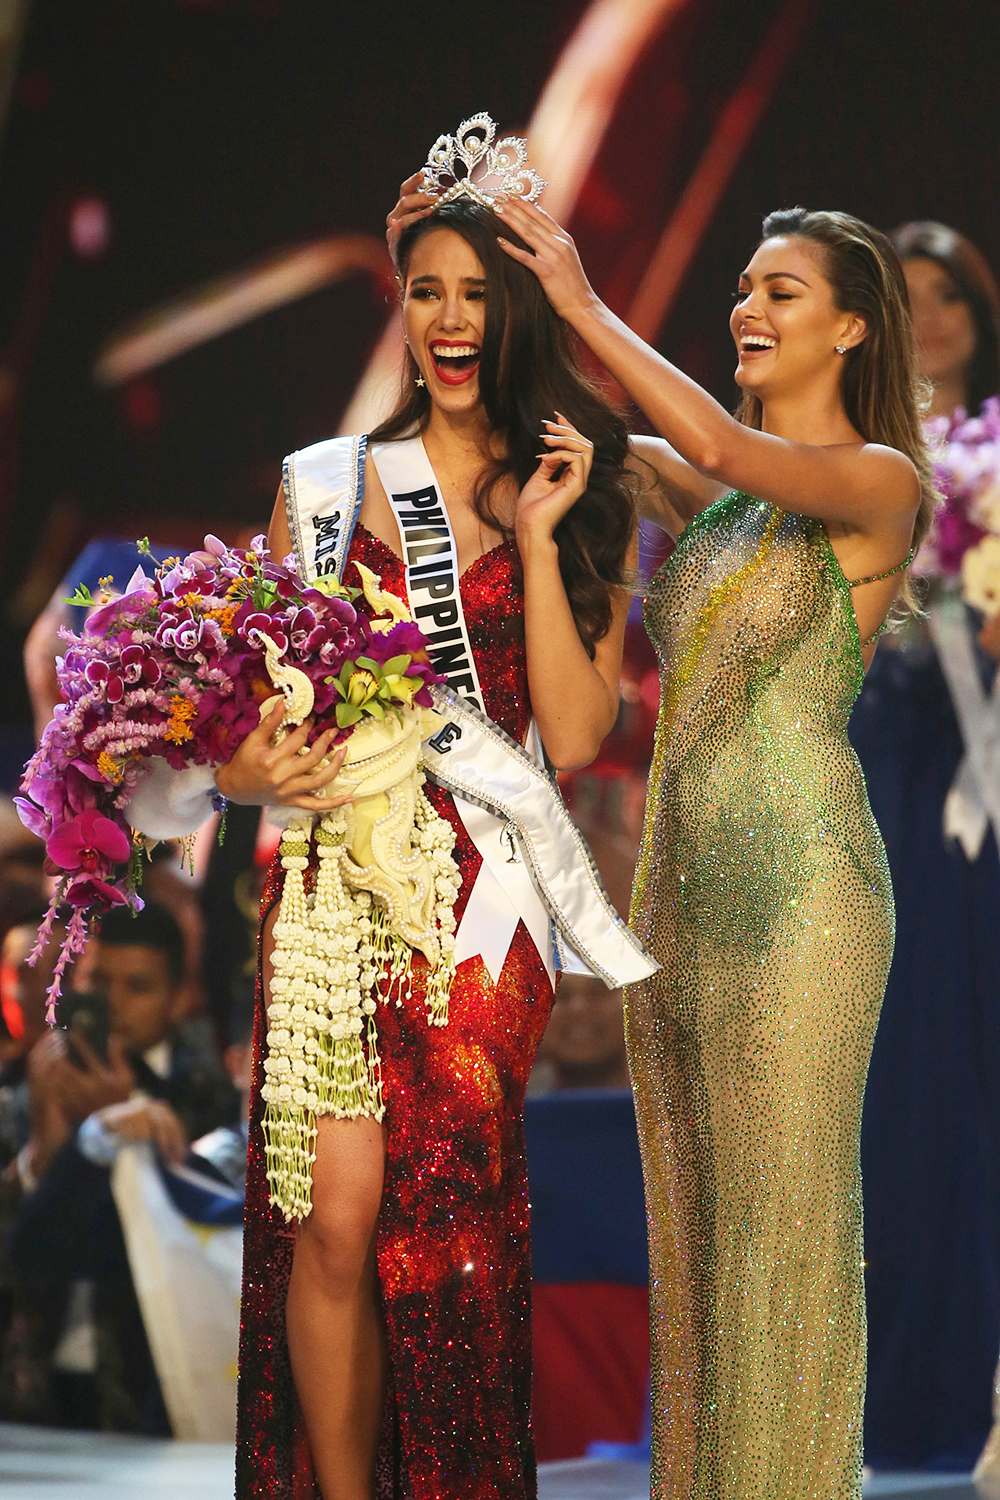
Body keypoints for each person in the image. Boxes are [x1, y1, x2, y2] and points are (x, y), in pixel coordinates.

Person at [204, 125, 641, 1500]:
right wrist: (252, 777)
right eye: (427, 291)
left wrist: (528, 536)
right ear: (402, 304)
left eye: (477, 292)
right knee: (332, 1227)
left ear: (517, 306)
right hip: (335, 884)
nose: (451, 321)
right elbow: (232, 736)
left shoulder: (576, 484)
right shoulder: (322, 488)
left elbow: (569, 735)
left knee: (444, 1228)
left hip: (480, 893)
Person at [479, 192, 933, 1497]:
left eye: (778, 292)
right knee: (698, 1233)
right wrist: (497, 290)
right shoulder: (719, 502)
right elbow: (605, 438)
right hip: (679, 890)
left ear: (850, 327)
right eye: (740, 286)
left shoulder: (875, 483)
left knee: (782, 1226)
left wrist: (580, 296)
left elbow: (723, 449)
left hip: (803, 892)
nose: (746, 307)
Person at [849, 222, 1000, 1468]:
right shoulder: (835, 457)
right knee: (898, 1075)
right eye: (909, 294)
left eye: (952, 293)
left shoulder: (995, 454)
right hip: (876, 773)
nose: (933, 312)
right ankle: (880, 1384)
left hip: (979, 785)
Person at [1, 901, 236, 1432]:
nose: (115, 1003)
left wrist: (120, 1126)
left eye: (139, 986)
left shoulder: (209, 1101)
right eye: (99, 981)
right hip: (28, 1400)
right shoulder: (27, 1085)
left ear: (179, 998)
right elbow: (18, 1251)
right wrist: (45, 1148)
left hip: (149, 1395)